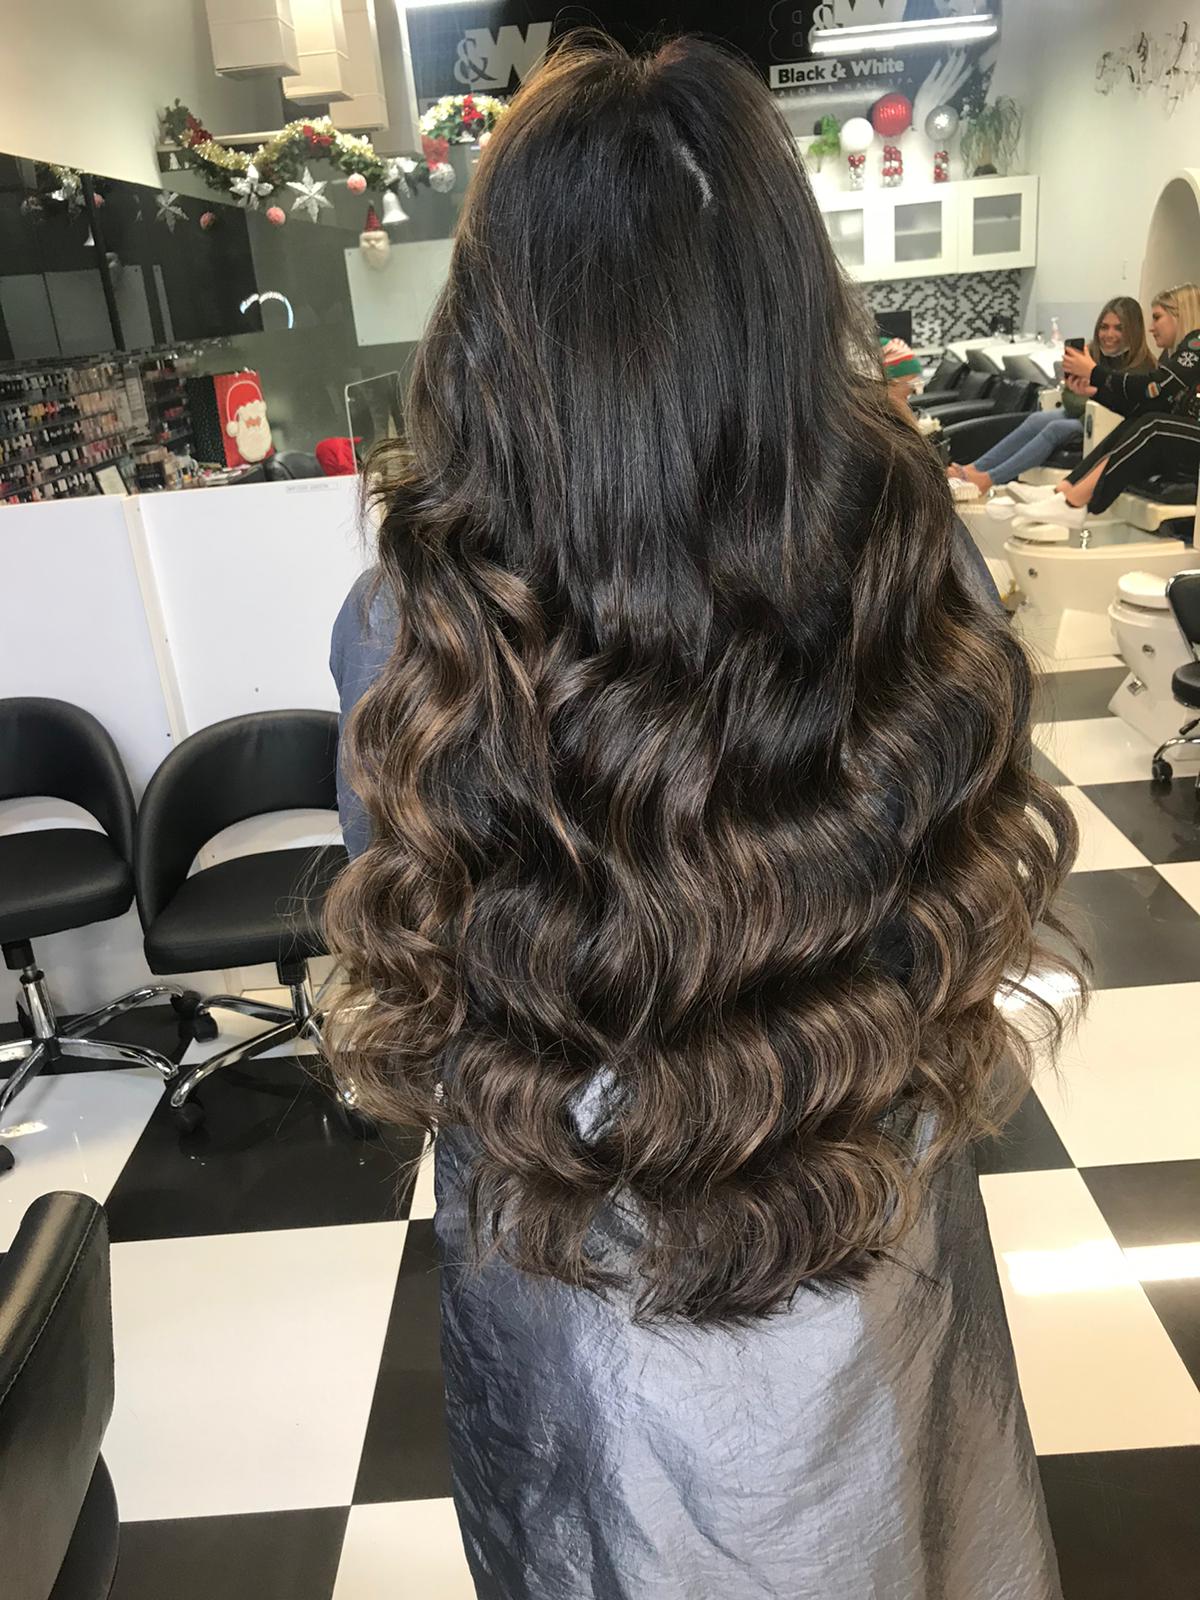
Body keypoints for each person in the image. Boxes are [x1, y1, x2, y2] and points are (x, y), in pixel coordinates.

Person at [326, 36, 1081, 1600]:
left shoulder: (416, 633)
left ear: (493, 333)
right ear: (786, 308)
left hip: (572, 1265)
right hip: (849, 1226)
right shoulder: (919, 579)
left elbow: (438, 971)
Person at [1016, 283, 1200, 523]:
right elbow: (1144, 407)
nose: (1151, 328)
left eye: (1157, 318)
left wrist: (1094, 373)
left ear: (1181, 314)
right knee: (1141, 420)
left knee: (1153, 426)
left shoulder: (1197, 343)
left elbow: (1152, 388)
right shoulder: (1173, 355)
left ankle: (1074, 503)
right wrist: (1096, 391)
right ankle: (1064, 491)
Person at [950, 296, 1152, 491]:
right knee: (1036, 419)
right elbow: (1069, 397)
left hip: (1109, 426)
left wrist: (1089, 395)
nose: (1109, 334)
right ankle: (975, 468)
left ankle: (989, 479)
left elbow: (1113, 408)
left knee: (1055, 427)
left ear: (1133, 331)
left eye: (1119, 328)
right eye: (1104, 327)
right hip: (1083, 415)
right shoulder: (1093, 355)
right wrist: (1088, 395)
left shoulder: (1142, 369)